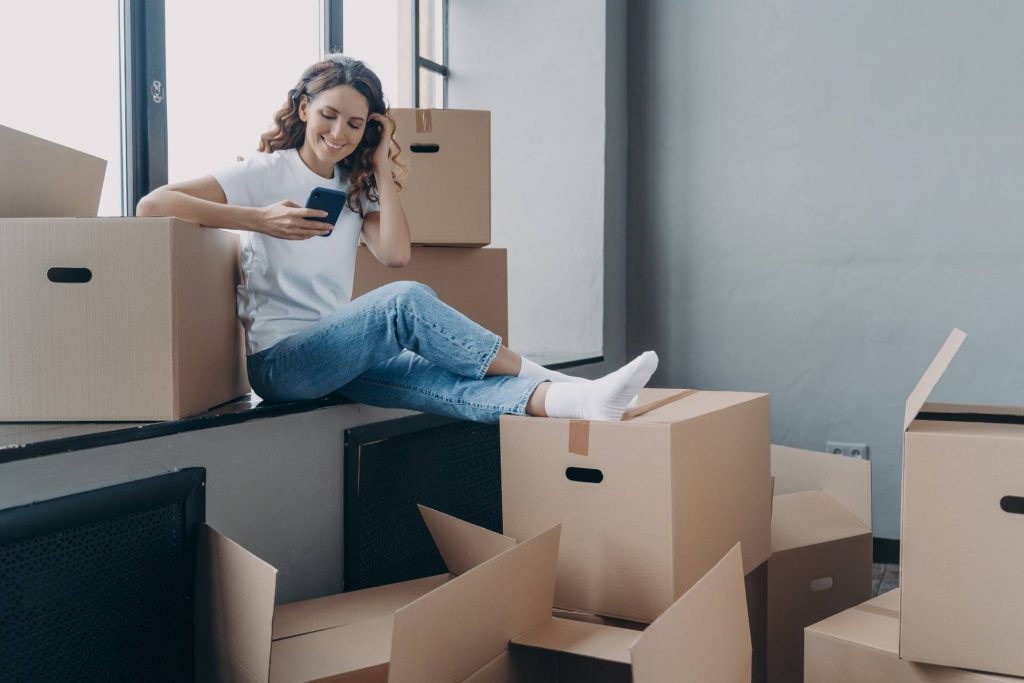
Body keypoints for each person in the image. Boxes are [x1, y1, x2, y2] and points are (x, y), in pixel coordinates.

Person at [137, 53, 658, 423]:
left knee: (442, 383)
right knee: (404, 304)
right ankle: (575, 384)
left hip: (338, 351)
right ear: (303, 110)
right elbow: (153, 204)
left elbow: (395, 254)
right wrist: (260, 220)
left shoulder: (352, 185)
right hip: (282, 364)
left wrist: (382, 167)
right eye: (329, 115)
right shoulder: (262, 172)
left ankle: (582, 404)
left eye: (357, 124)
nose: (339, 133)